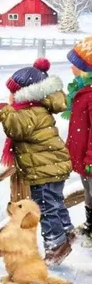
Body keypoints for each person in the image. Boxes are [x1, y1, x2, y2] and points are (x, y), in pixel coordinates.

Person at [0, 58, 74, 266]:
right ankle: (67, 233)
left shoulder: (29, 112)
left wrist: (5, 110)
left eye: (12, 93)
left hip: (44, 171)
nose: (9, 97)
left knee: (46, 208)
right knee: (56, 203)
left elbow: (15, 128)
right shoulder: (39, 108)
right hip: (53, 166)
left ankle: (56, 246)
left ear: (24, 94)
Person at [65, 37, 92, 238]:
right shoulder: (82, 90)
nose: (71, 68)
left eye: (75, 64)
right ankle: (90, 224)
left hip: (90, 158)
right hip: (84, 156)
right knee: (88, 191)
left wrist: (91, 158)